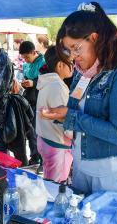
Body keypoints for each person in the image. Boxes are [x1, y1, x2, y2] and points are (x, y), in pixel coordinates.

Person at [40, 2, 117, 199]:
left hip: (114, 171)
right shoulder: (82, 73)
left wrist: (71, 118)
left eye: (76, 48)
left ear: (95, 38)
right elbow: (76, 109)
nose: (72, 56)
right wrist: (61, 113)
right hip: (81, 164)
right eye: (68, 49)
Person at [36, 46, 74, 182]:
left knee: (50, 181)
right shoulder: (57, 87)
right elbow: (63, 121)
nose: (74, 66)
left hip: (46, 140)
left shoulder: (47, 82)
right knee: (56, 187)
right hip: (56, 145)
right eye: (71, 62)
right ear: (60, 65)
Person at [19, 41, 45, 167]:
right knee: (29, 132)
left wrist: (33, 83)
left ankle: (41, 159)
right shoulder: (25, 65)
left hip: (39, 101)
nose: (26, 60)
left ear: (34, 53)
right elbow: (25, 77)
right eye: (23, 57)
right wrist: (24, 82)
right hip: (28, 101)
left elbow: (46, 78)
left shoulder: (43, 62)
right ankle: (34, 157)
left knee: (36, 132)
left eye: (27, 57)